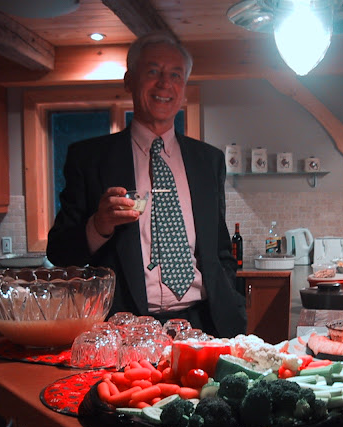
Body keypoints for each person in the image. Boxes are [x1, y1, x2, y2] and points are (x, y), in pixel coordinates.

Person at [46, 32, 246, 338]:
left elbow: (220, 250)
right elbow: (59, 251)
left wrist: (228, 293)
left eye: (175, 75)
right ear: (129, 80)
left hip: (206, 324)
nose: (165, 83)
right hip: (124, 329)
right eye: (153, 71)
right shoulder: (89, 158)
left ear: (184, 89)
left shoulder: (209, 161)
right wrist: (98, 226)